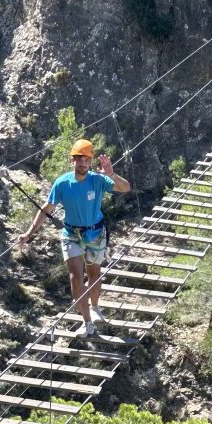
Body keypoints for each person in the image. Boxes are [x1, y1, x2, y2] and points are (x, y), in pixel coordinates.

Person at [18, 139, 130, 337]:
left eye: (86, 159)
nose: (82, 163)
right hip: (71, 234)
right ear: (73, 161)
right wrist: (29, 233)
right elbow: (46, 210)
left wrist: (112, 175)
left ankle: (95, 308)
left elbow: (125, 188)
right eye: (79, 159)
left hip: (95, 233)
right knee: (75, 279)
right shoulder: (62, 183)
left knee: (94, 275)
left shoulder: (98, 180)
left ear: (90, 162)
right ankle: (87, 323)